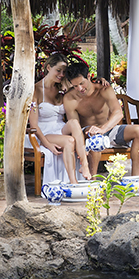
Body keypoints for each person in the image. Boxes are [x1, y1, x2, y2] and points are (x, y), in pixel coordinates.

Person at [63, 60, 139, 176]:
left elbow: (118, 113)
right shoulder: (70, 99)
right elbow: (75, 126)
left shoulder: (104, 89)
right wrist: (89, 136)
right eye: (75, 86)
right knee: (96, 138)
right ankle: (92, 181)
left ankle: (134, 179)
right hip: (88, 134)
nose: (80, 88)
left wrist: (103, 129)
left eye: (82, 83)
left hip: (108, 129)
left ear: (88, 76)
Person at [29, 53, 91, 184]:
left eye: (64, 72)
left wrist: (101, 82)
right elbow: (33, 125)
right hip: (44, 132)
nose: (62, 74)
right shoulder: (36, 90)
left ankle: (84, 165)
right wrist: (48, 145)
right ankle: (73, 183)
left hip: (60, 128)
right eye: (58, 70)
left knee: (74, 122)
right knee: (69, 141)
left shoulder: (64, 88)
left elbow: (85, 91)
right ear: (48, 68)